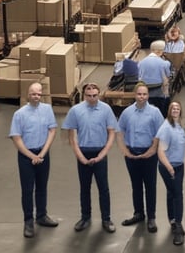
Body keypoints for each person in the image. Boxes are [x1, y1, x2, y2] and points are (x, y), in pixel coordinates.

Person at [62, 83, 118, 234]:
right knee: (84, 188)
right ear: (84, 95)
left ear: (98, 94)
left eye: (95, 95)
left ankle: (106, 218)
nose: (92, 98)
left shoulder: (106, 110)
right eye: (89, 96)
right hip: (83, 153)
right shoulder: (76, 111)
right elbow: (72, 137)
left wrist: (103, 154)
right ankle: (85, 217)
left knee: (103, 188)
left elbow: (112, 132)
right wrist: (80, 156)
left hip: (100, 152)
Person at [9, 82, 58, 238]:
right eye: (33, 94)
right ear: (27, 95)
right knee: (27, 190)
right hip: (26, 156)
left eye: (38, 94)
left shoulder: (47, 110)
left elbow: (52, 131)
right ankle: (28, 221)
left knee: (42, 187)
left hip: (42, 154)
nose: (36, 97)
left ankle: (42, 215)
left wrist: (42, 153)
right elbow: (16, 138)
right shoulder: (20, 114)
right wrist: (31, 156)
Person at [117, 83, 164, 234]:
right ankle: (138, 213)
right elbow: (120, 132)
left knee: (150, 186)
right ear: (135, 95)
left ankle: (151, 217)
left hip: (149, 155)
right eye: (139, 94)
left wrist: (152, 150)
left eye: (144, 94)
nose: (142, 97)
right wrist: (125, 151)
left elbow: (160, 134)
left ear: (148, 95)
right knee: (136, 185)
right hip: (132, 154)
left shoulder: (155, 113)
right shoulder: (127, 112)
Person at [156, 101, 185, 246]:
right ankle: (178, 228)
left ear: (180, 111)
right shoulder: (166, 128)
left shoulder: (180, 126)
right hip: (170, 167)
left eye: (177, 108)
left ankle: (173, 220)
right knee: (178, 194)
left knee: (171, 193)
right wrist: (170, 169)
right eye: (173, 108)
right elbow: (160, 152)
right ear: (169, 111)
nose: (175, 110)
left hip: (179, 165)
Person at [137, 40, 172, 118]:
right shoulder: (164, 63)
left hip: (146, 93)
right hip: (160, 94)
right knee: (162, 114)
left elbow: (139, 76)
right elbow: (168, 75)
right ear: (159, 51)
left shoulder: (141, 62)